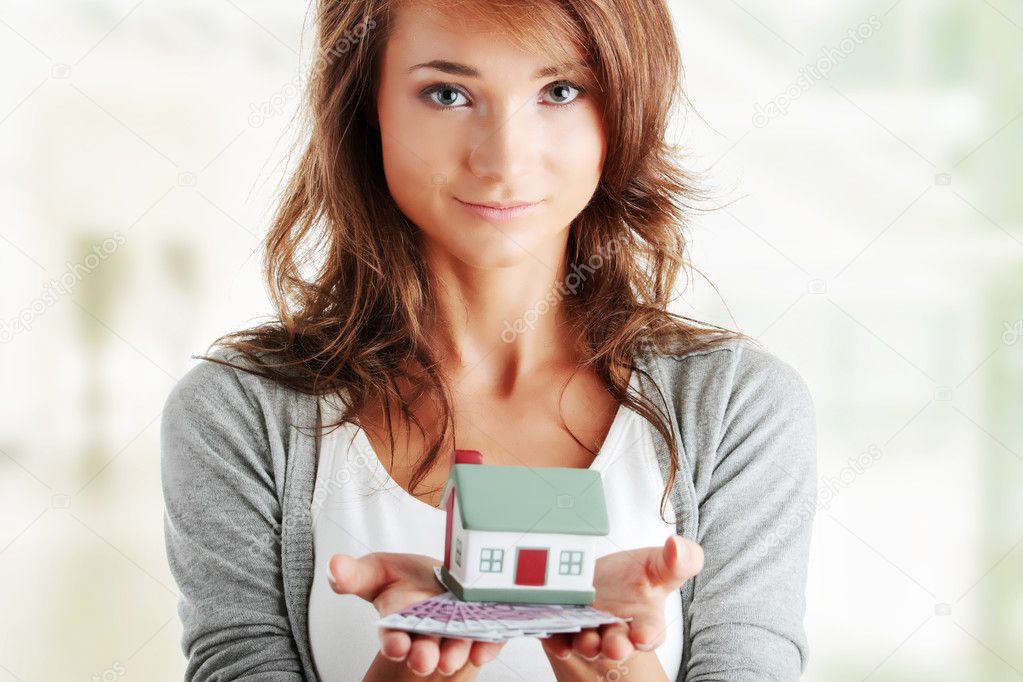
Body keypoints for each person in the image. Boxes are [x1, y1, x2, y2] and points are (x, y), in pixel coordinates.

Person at [160, 0, 818, 680]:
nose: (503, 159)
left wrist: (616, 667)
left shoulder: (738, 406)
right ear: (365, 108)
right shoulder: (240, 411)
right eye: (447, 94)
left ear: (624, 107)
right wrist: (407, 673)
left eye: (559, 91)